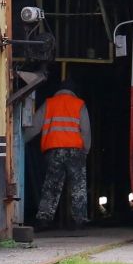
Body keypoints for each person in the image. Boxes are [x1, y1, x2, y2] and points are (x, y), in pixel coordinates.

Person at [34, 79, 90, 229]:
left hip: (54, 151)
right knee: (78, 186)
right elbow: (85, 131)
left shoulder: (49, 103)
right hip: (76, 151)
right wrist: (86, 150)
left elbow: (34, 126)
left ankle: (44, 219)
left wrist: (19, 141)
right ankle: (79, 220)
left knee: (51, 186)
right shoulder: (79, 104)